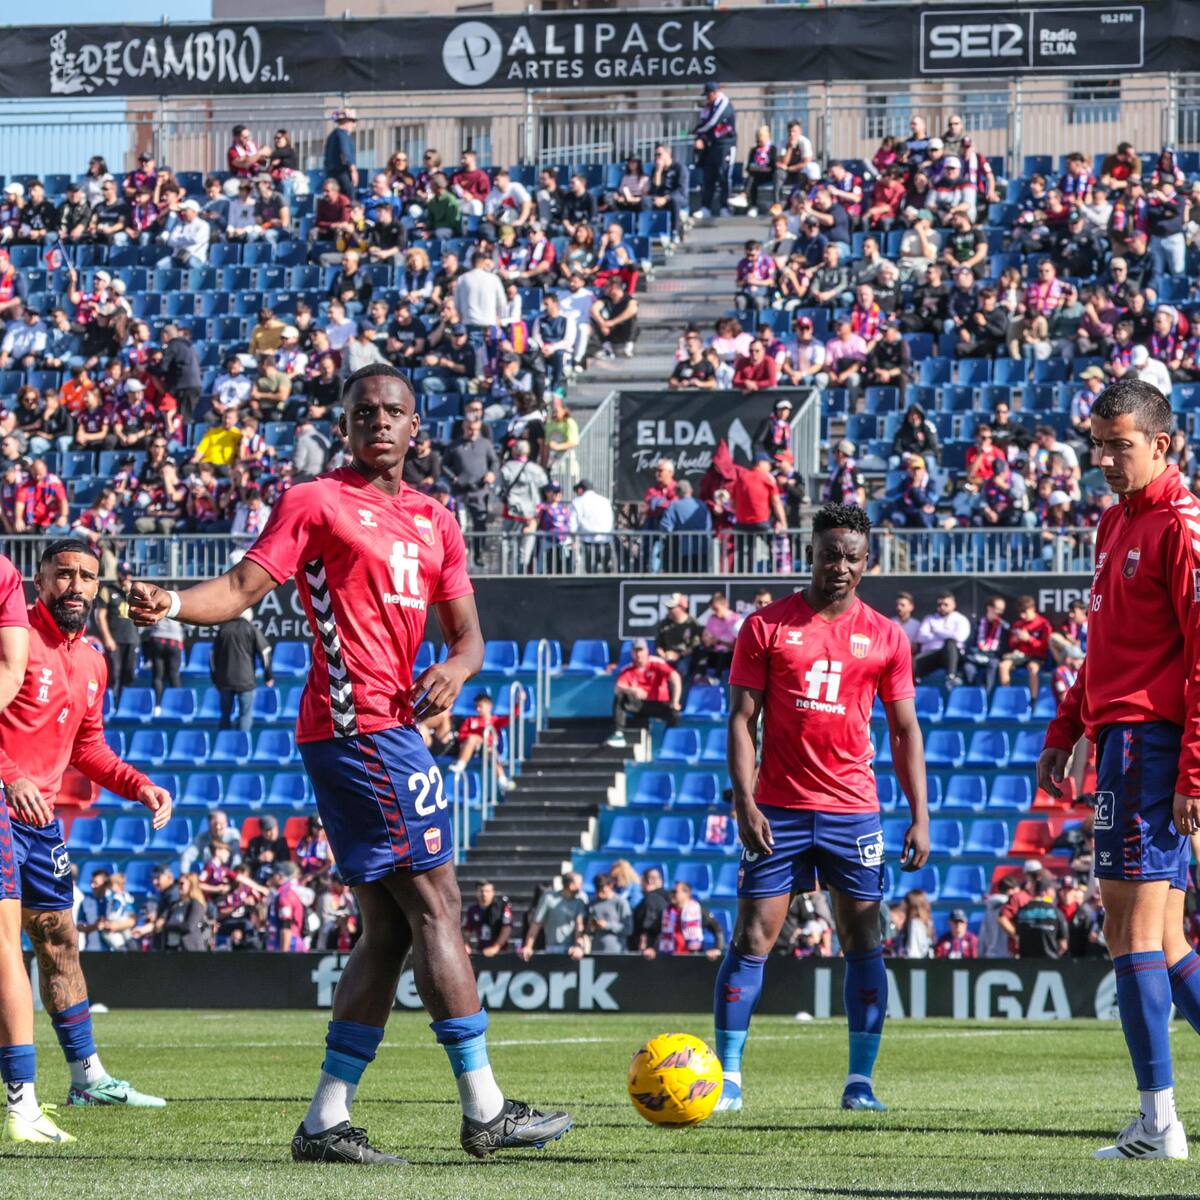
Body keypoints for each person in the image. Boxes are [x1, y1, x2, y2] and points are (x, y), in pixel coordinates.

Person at [128, 364, 571, 1162]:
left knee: (392, 931)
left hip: (393, 727)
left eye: (392, 411)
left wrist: (457, 671)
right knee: (437, 902)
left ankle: (327, 1120)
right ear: (345, 425)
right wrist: (172, 604)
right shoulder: (314, 502)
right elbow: (239, 586)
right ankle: (486, 1109)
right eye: (362, 411)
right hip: (354, 726)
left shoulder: (437, 520)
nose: (377, 421)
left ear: (415, 429)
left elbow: (469, 637)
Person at [713, 503, 928, 1115]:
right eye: (830, 552)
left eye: (852, 556)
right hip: (777, 809)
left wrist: (921, 814)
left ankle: (860, 1082)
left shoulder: (887, 635)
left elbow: (904, 729)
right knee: (754, 934)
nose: (840, 565)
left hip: (852, 811)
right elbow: (740, 719)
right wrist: (744, 798)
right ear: (810, 552)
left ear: (868, 563)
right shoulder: (765, 626)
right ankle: (728, 1077)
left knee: (864, 936)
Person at [1039, 378, 1200, 1160]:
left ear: (1162, 444)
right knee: (1165, 940)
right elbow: (1104, 648)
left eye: (1119, 445)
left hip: (1151, 745)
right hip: (1121, 740)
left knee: (1127, 930)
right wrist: (1065, 727)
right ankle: (1160, 1118)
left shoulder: (1182, 525)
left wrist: (1193, 771)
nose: (1102, 458)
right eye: (1096, 444)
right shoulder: (1114, 523)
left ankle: (1158, 1123)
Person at [0, 540, 170, 1121]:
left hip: (40, 823)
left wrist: (138, 783)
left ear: (99, 588)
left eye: (87, 577)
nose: (75, 585)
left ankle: (87, 1078)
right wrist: (8, 775)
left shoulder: (94, 660)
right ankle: (22, 1093)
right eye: (64, 573)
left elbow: (88, 748)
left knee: (59, 942)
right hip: (1, 805)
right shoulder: (14, 637)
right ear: (40, 578)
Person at [607, 638, 682, 749]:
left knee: (675, 714)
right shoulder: (629, 669)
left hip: (659, 704)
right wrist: (632, 690)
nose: (638, 654)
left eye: (640, 650)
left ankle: (669, 743)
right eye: (635, 651)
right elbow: (618, 687)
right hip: (639, 706)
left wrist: (675, 701)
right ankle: (619, 734)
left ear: (646, 651)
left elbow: (675, 677)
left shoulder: (656, 663)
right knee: (620, 697)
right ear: (632, 653)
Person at [211, 609, 274, 733]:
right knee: (245, 714)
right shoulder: (251, 629)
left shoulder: (223, 630)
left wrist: (215, 679)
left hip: (225, 681)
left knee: (225, 715)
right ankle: (242, 746)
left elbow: (213, 656)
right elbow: (265, 653)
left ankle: (224, 747)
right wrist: (268, 676)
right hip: (246, 681)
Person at [692, 80, 737, 218]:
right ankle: (706, 207)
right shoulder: (708, 106)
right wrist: (700, 138)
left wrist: (697, 132)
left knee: (724, 175)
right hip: (711, 145)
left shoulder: (725, 104)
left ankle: (725, 207)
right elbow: (703, 121)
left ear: (715, 93)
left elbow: (712, 122)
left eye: (708, 95)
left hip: (725, 144)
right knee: (708, 176)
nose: (707, 98)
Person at [518, 873, 587, 960]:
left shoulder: (580, 901)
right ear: (571, 885)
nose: (582, 886)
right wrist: (528, 946)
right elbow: (536, 924)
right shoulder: (548, 899)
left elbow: (579, 926)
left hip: (571, 951)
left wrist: (578, 947)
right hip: (552, 949)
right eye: (580, 884)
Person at [913, 592, 970, 686]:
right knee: (914, 661)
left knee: (950, 643)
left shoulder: (960, 619)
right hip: (932, 654)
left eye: (946, 605)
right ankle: (915, 684)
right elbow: (921, 637)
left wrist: (936, 631)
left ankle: (951, 677)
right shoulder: (929, 619)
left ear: (953, 605)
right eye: (940, 604)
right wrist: (947, 634)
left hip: (952, 656)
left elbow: (959, 637)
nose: (942, 607)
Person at [463, 881, 513, 957]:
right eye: (481, 891)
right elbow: (467, 930)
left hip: (501, 952)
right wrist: (466, 944)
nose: (484, 894)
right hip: (481, 951)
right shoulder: (472, 910)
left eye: (487, 891)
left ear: (493, 892)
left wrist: (496, 947)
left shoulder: (502, 907)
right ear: (476, 892)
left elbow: (507, 928)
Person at [587, 874, 633, 955]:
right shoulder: (593, 903)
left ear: (610, 886)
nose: (600, 893)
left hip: (617, 953)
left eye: (602, 889)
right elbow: (589, 930)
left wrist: (607, 925)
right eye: (598, 890)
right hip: (596, 952)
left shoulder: (621, 903)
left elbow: (628, 929)